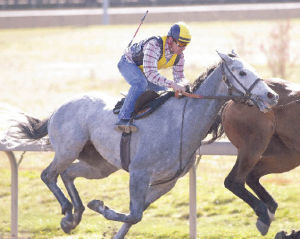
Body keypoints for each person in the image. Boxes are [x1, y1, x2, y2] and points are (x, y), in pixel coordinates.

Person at [115, 21, 191, 132]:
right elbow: (150, 74)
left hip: (143, 70)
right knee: (140, 83)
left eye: (186, 45)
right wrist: (172, 84)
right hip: (127, 63)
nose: (183, 48)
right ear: (170, 40)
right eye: (181, 44)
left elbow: (179, 77)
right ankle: (123, 118)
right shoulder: (154, 45)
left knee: (162, 90)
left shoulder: (179, 56)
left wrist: (183, 85)